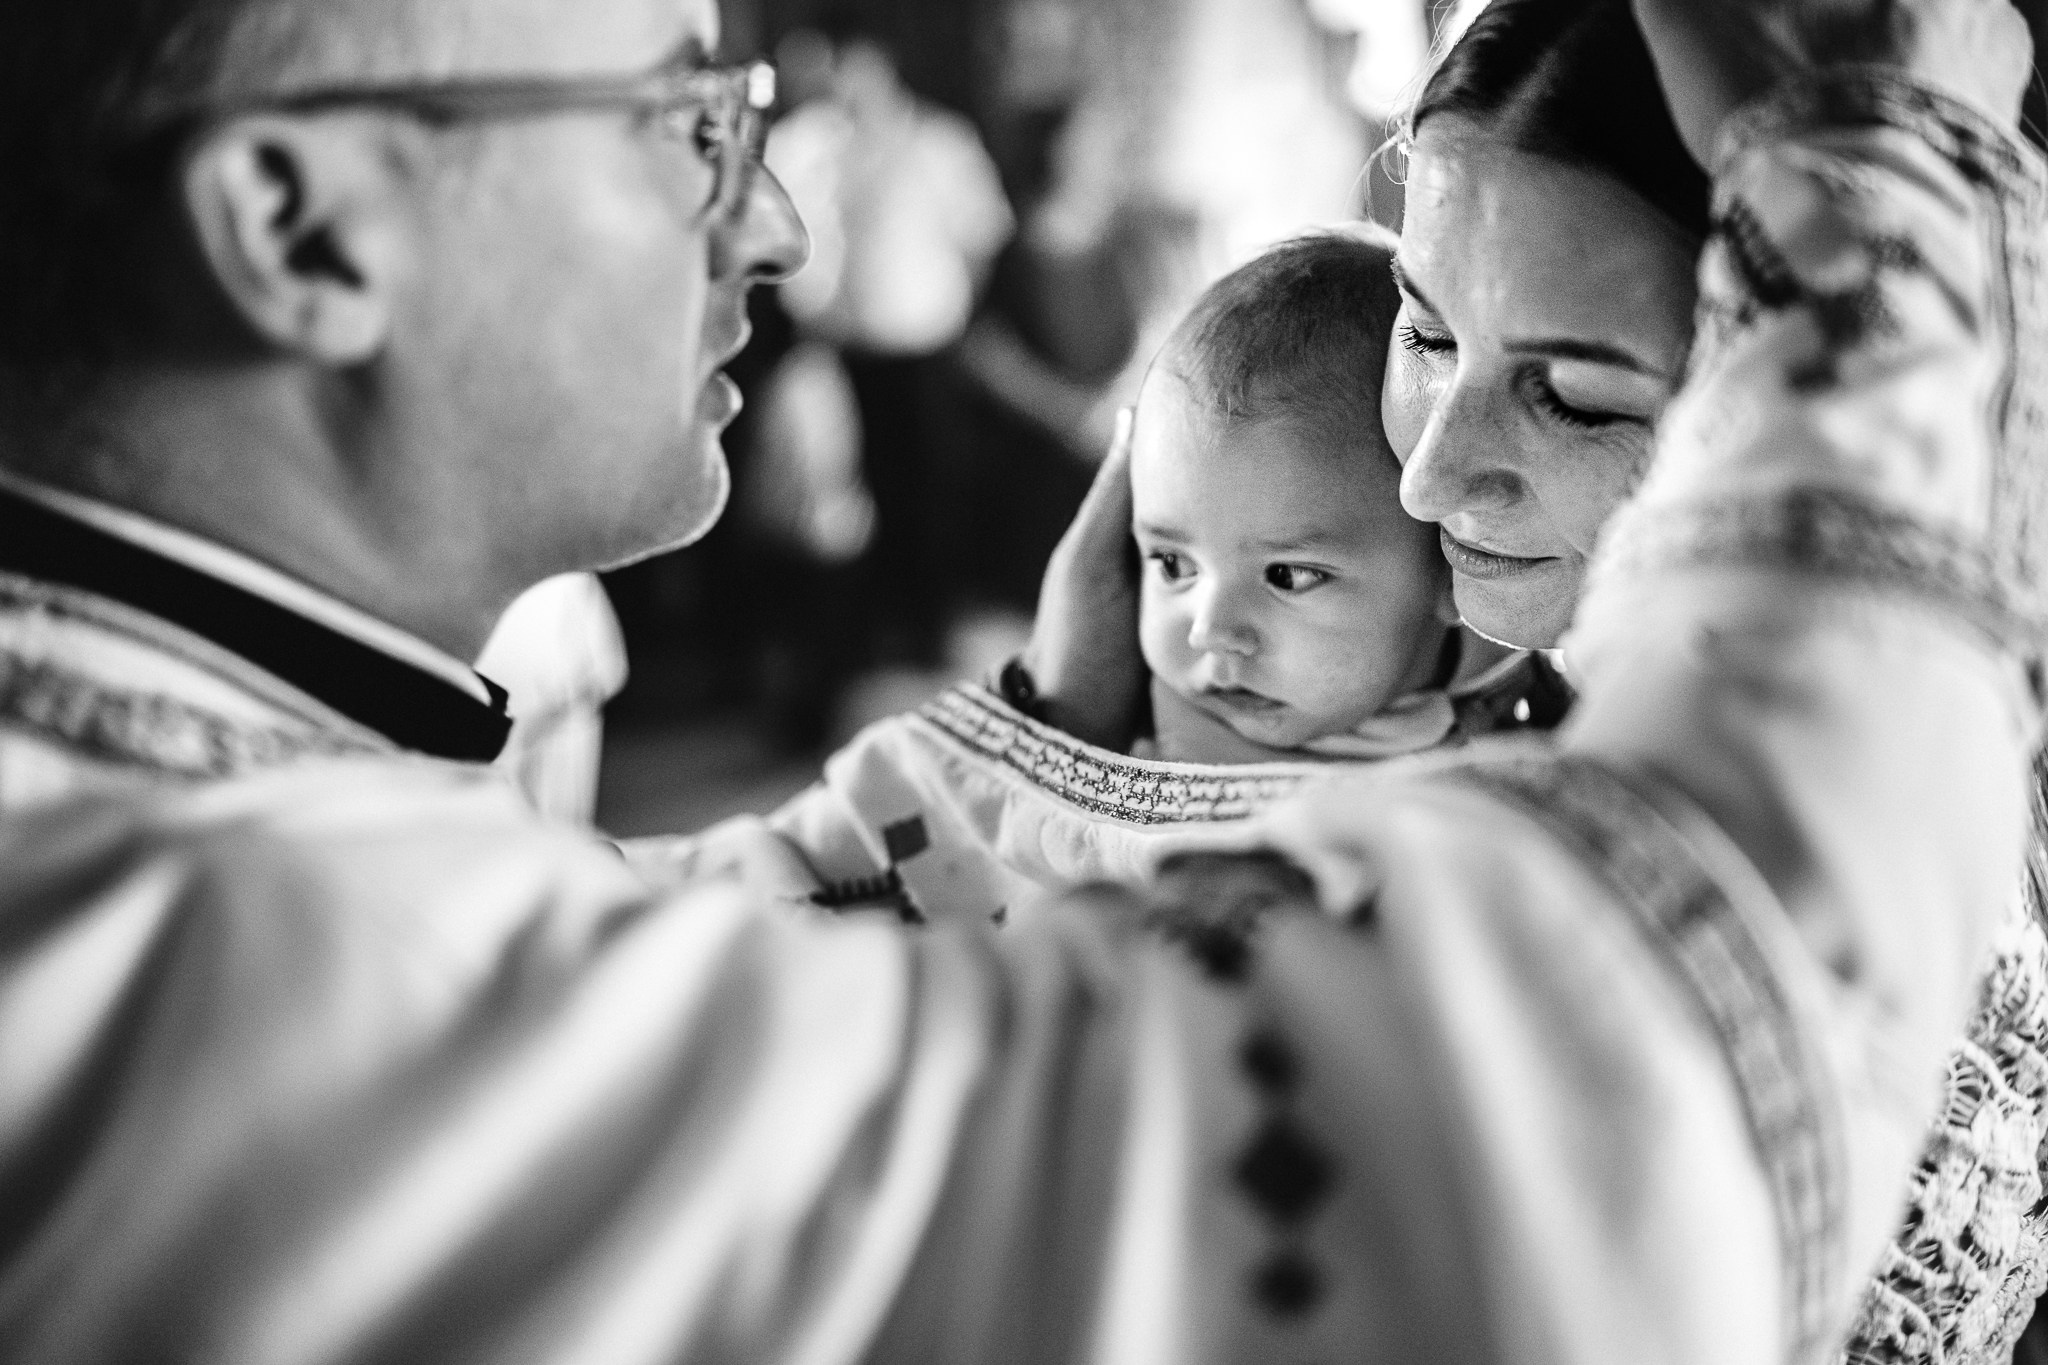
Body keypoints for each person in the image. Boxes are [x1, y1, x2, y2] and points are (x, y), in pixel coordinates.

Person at [0, 3, 2040, 1365]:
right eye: (686, 127)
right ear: (297, 222)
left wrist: (1055, 767)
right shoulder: (193, 956)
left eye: (1575, 384)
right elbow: (1565, 1159)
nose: (782, 224)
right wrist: (1874, 199)